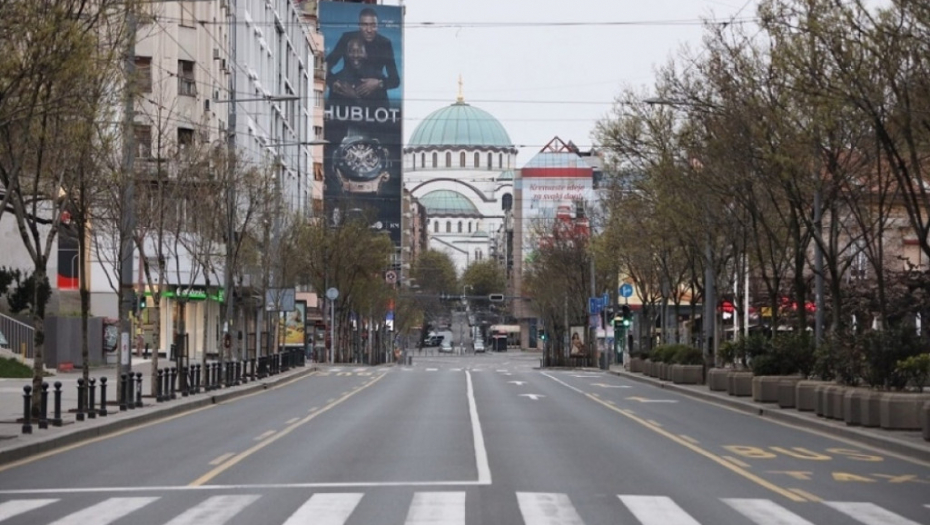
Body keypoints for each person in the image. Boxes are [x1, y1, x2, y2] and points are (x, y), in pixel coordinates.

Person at [325, 7, 399, 99]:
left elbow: (395, 80)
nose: (369, 30)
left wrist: (378, 84)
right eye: (365, 25)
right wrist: (333, 82)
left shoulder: (384, 44)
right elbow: (325, 65)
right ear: (359, 25)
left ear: (378, 26)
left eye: (373, 25)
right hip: (346, 97)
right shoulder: (347, 38)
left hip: (376, 100)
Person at [329, 37, 386, 104]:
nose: (355, 55)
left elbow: (384, 108)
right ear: (347, 54)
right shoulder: (338, 79)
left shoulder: (377, 79)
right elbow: (330, 107)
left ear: (366, 54)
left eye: (360, 52)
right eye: (351, 51)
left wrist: (355, 97)